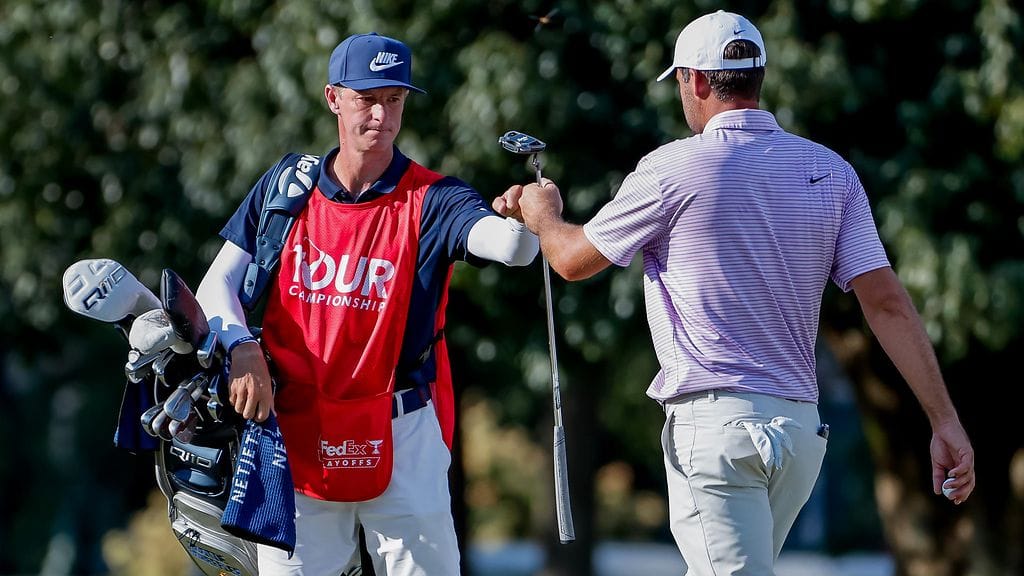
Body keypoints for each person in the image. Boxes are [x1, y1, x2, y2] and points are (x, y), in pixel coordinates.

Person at [498, 10, 976, 575]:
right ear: (759, 75)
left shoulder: (671, 169)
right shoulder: (831, 171)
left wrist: (543, 214)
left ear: (696, 82)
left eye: (679, 82)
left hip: (717, 436)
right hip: (799, 435)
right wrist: (944, 420)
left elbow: (573, 261)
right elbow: (887, 303)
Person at [196, 32, 539, 576]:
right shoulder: (288, 185)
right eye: (367, 98)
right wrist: (241, 347)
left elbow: (509, 248)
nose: (381, 114)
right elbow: (216, 285)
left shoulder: (434, 197)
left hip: (403, 432)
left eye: (394, 99)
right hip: (297, 430)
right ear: (333, 98)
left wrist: (524, 216)